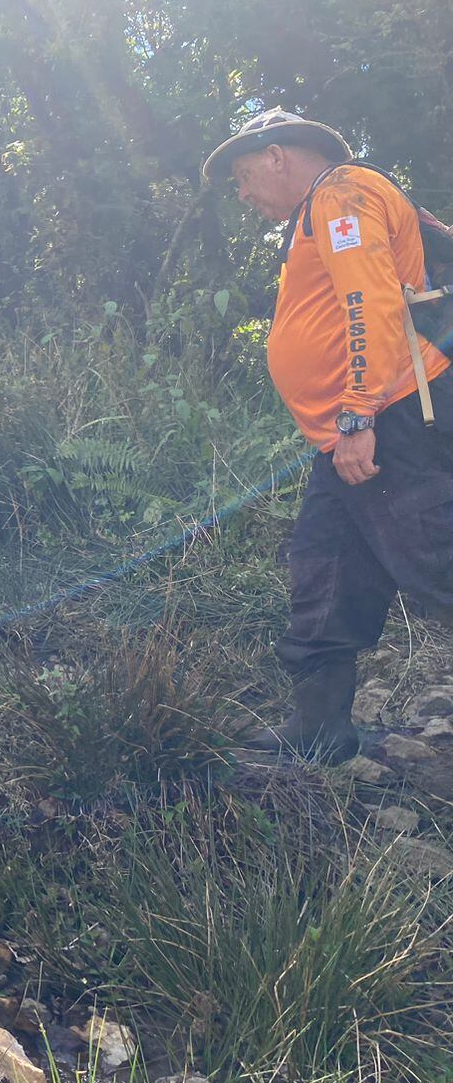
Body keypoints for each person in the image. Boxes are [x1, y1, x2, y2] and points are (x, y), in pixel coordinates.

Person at [202, 108, 453, 762]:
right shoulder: (314, 214)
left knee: (438, 566)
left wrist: (357, 417)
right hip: (350, 434)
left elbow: (368, 300)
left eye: (243, 176)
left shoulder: (343, 192)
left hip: (393, 420)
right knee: (326, 568)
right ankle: (320, 728)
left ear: (277, 156)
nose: (242, 192)